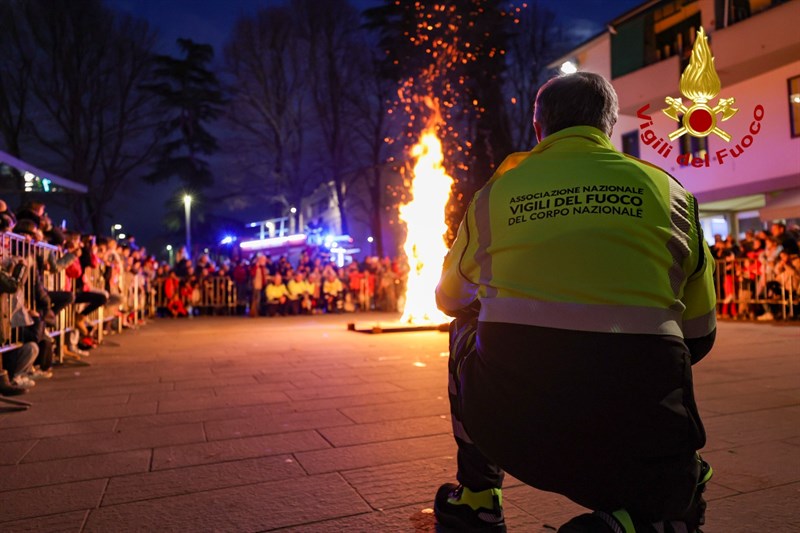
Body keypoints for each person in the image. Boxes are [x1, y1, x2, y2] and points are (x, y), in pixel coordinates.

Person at [433, 72, 716, 533]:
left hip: (514, 430)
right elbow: (700, 333)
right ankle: (634, 519)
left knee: (465, 320)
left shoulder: (496, 194)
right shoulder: (670, 192)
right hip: (641, 431)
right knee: (674, 489)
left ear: (538, 128)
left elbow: (448, 298)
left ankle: (478, 498)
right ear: (609, 125)